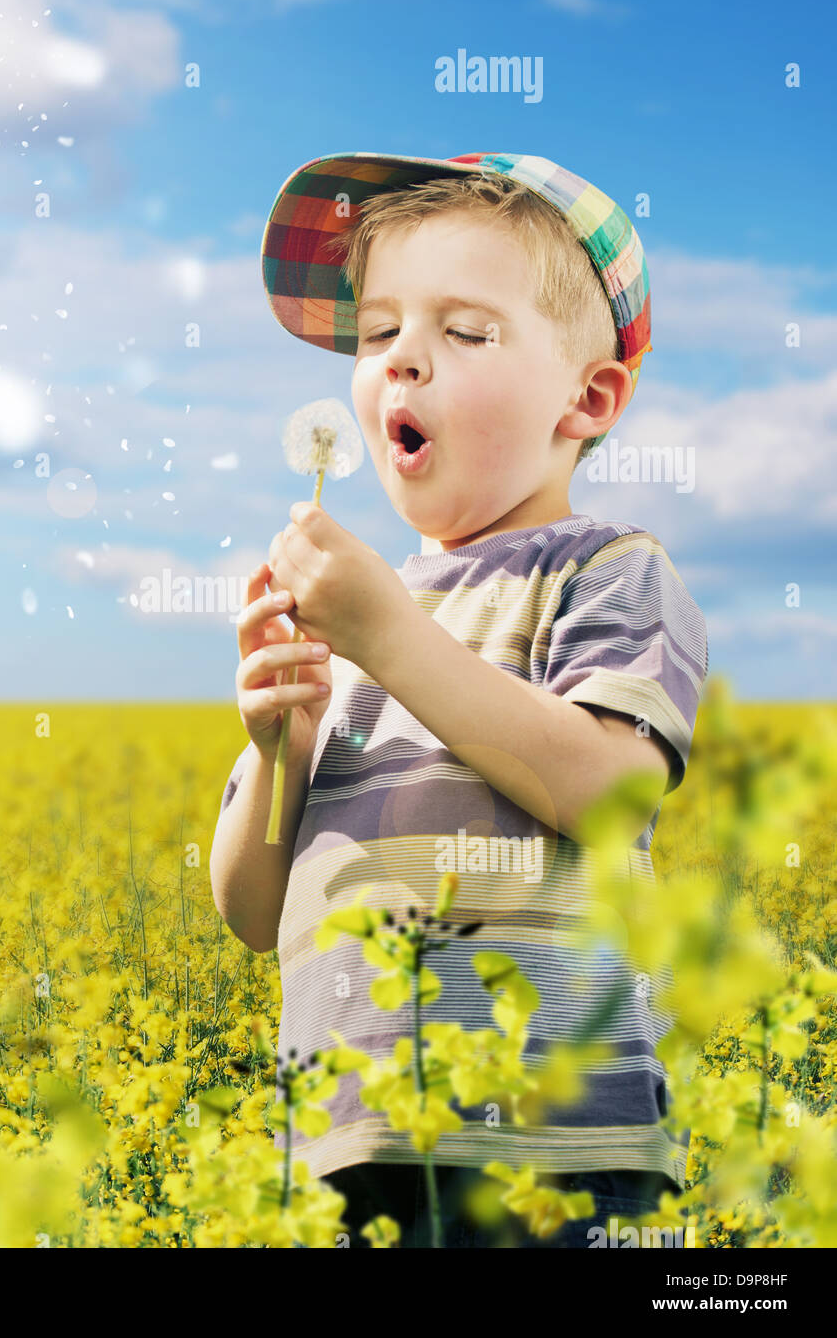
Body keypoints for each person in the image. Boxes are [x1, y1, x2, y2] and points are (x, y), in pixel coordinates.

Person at [208, 151, 708, 1249]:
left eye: (463, 333)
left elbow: (610, 789)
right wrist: (279, 748)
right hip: (347, 1153)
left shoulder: (606, 570)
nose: (401, 364)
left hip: (553, 1156)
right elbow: (249, 913)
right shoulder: (346, 617)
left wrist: (386, 634)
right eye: (377, 331)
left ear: (586, 398)